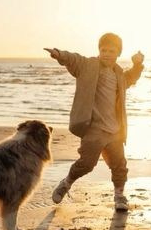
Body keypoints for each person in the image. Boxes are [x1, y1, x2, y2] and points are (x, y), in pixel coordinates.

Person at [44, 33, 144, 212]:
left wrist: (137, 64)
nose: (106, 54)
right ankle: (66, 183)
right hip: (94, 128)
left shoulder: (119, 74)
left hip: (115, 130)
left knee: (119, 165)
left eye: (111, 51)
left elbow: (131, 78)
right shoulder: (88, 66)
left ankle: (119, 196)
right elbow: (74, 59)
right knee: (86, 164)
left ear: (118, 53)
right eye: (103, 50)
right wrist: (59, 54)